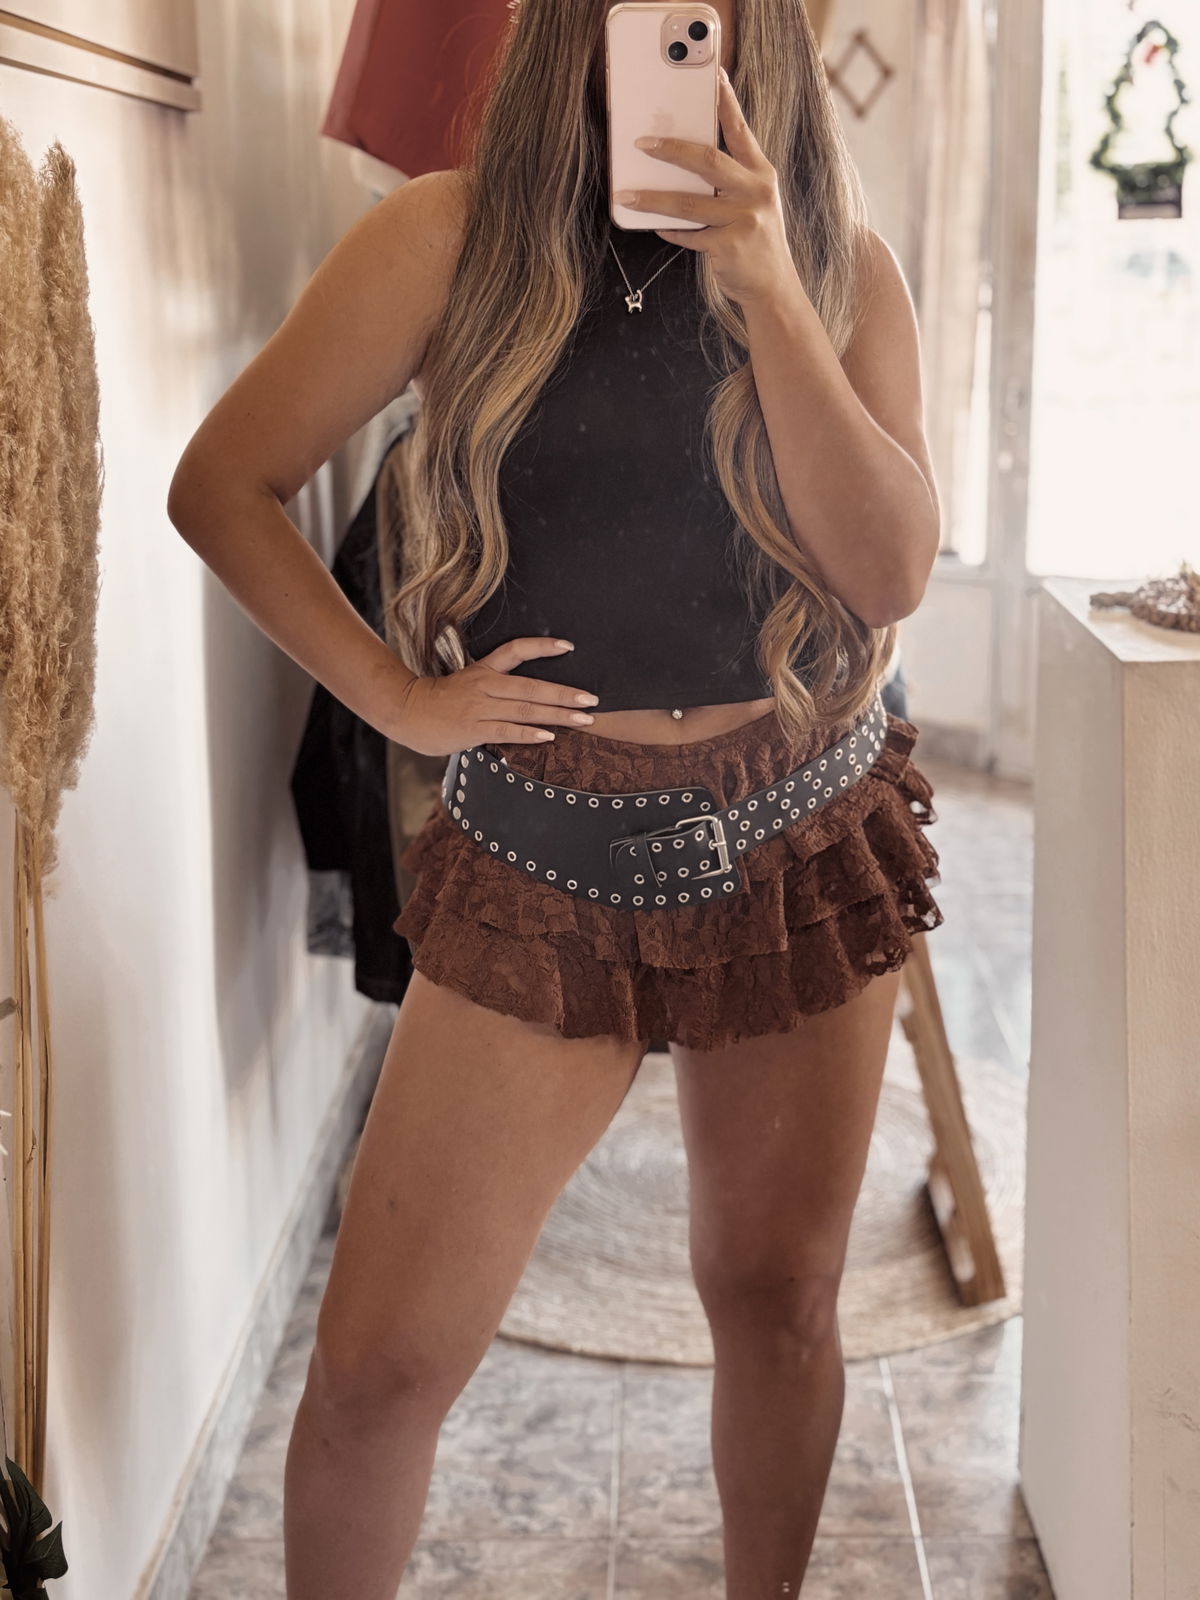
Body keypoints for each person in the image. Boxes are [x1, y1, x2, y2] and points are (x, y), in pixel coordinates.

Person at [167, 2, 945, 1594]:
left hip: (795, 831)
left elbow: (888, 574)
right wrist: (396, 696)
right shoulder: (443, 238)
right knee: (378, 1367)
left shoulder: (842, 269)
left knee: (777, 1299)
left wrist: (770, 290)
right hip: (547, 859)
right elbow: (222, 483)